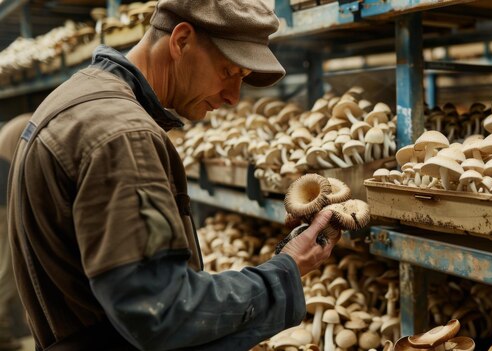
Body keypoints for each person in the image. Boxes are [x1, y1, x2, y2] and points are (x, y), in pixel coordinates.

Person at [7, 1, 337, 350]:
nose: (233, 98)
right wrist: (286, 270)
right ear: (181, 41)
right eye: (229, 72)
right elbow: (160, 312)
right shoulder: (123, 135)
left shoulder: (78, 99)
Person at [0, 113, 31, 351]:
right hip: (3, 202)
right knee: (7, 271)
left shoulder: (25, 122)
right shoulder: (34, 124)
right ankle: (2, 334)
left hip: (4, 198)